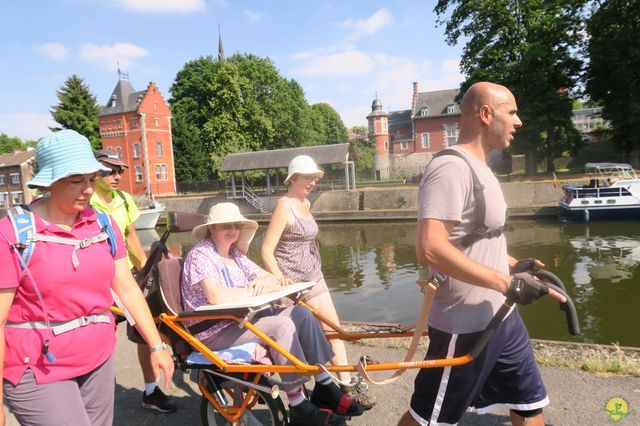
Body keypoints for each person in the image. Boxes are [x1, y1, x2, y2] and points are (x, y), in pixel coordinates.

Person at [398, 82, 567, 426]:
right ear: (486, 115)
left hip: (502, 318)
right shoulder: (451, 168)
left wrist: (513, 266)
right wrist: (504, 282)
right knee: (428, 420)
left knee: (530, 406)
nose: (519, 121)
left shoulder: (483, 169)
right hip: (465, 325)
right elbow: (430, 246)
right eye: (512, 112)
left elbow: (478, 239)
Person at [0, 130, 174, 426]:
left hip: (98, 359)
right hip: (38, 367)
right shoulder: (14, 233)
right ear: (50, 181)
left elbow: (127, 289)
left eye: (92, 179)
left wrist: (156, 345)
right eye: (76, 180)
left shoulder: (103, 223)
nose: (89, 189)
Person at [181, 202, 366, 426]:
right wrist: (251, 289)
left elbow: (269, 277)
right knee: (282, 327)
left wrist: (265, 283)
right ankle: (297, 403)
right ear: (212, 229)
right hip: (213, 329)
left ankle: (324, 384)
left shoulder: (235, 256)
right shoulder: (201, 255)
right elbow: (216, 296)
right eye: (226, 226)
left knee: (302, 315)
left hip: (238, 321)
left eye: (236, 225)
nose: (233, 230)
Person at [261, 155, 376, 409]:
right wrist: (279, 279)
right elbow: (267, 250)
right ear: (293, 178)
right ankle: (305, 395)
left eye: (314, 178)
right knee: (296, 341)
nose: (312, 182)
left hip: (315, 278)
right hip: (292, 286)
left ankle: (346, 386)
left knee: (334, 329)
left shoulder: (305, 203)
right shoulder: (284, 205)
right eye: (308, 178)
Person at [90, 149, 176, 413]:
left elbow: (132, 239)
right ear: (94, 172)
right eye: (110, 170)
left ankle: (151, 392)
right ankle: (97, 398)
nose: (117, 176)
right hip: (97, 283)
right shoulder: (85, 201)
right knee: (99, 340)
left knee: (143, 333)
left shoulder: (124, 200)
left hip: (126, 279)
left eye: (120, 171)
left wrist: (149, 270)